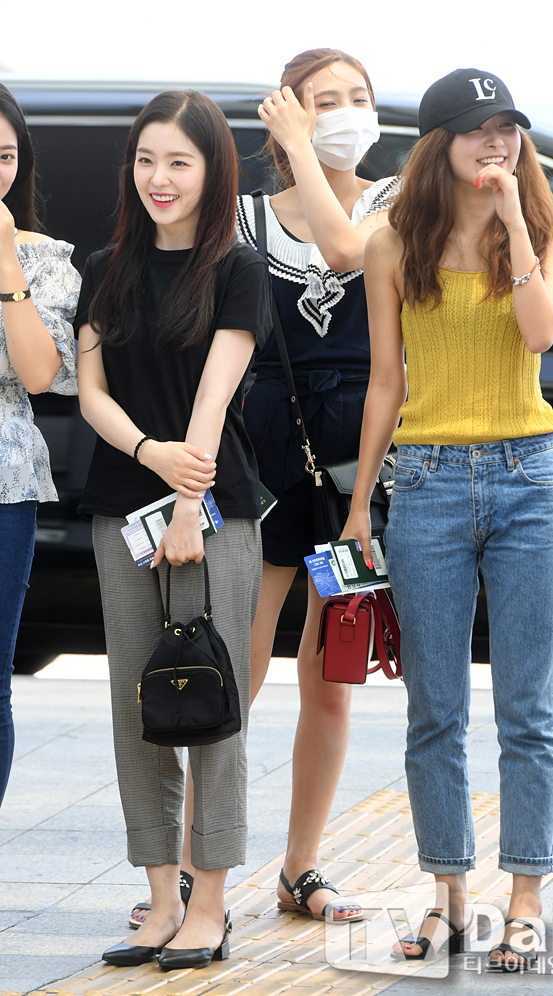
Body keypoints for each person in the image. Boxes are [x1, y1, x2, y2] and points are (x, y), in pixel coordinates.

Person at [134, 49, 396, 929]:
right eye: (326, 100)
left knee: (333, 671)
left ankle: (301, 867)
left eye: (359, 97)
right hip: (262, 454)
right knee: (232, 668)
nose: (348, 111)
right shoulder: (243, 218)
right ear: (287, 115)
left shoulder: (395, 202)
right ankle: (190, 873)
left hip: (358, 464)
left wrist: (308, 154)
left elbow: (347, 248)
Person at [341, 69, 553, 969]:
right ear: (439, 144)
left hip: (530, 480)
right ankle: (448, 897)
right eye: (479, 129)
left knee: (528, 709)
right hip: (428, 483)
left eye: (508, 127)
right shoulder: (390, 245)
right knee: (434, 710)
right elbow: (385, 381)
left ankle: (525, 899)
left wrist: (514, 219)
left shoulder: (549, 233)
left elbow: (540, 332)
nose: (497, 142)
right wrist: (360, 504)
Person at [75, 89, 272, 969]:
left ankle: (211, 903)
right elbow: (90, 393)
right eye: (147, 160)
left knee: (209, 701)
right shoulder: (104, 266)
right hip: (123, 504)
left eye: (179, 162)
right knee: (137, 704)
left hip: (211, 511)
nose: (160, 178)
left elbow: (215, 396)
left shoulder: (236, 268)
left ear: (211, 170)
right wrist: (148, 454)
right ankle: (160, 901)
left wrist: (187, 501)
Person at [0, 83, 78, 808]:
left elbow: (39, 374)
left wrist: (5, 259)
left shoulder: (45, 259)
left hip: (5, 487)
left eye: (4, 156)